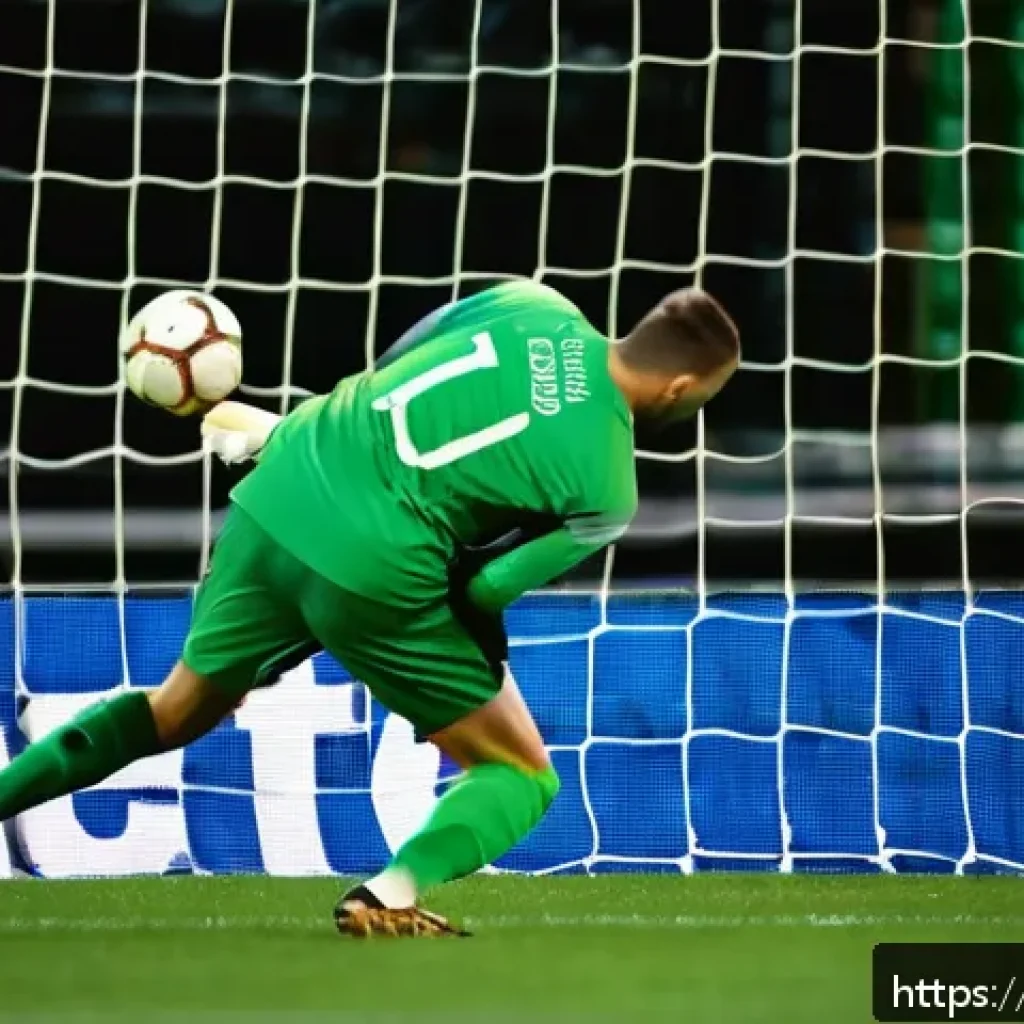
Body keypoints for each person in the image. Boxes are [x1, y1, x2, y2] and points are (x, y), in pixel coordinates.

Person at [0, 280, 739, 938]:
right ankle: (390, 891)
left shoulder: (530, 302)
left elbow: (401, 356)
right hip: (377, 567)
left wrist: (324, 439)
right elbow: (483, 590)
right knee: (521, 771)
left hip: (288, 479)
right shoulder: (609, 490)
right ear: (678, 389)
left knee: (172, 712)